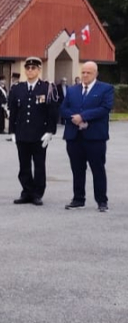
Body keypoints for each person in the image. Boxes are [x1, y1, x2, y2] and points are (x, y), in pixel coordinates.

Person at [60, 61, 113, 212]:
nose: (84, 75)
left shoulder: (105, 89)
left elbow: (105, 108)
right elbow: (63, 108)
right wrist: (74, 117)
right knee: (77, 169)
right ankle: (78, 199)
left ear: (95, 73)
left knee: (97, 169)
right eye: (83, 72)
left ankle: (102, 200)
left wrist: (83, 116)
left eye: (88, 72)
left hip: (95, 137)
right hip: (74, 136)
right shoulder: (72, 90)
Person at [7, 57, 59, 205]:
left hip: (39, 134)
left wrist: (50, 131)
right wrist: (12, 131)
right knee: (24, 165)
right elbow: (14, 112)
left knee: (39, 165)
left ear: (39, 70)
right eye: (28, 68)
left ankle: (37, 193)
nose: (30, 71)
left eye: (33, 68)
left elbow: (52, 112)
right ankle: (26, 192)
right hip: (22, 133)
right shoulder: (17, 88)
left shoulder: (47, 88)